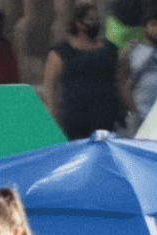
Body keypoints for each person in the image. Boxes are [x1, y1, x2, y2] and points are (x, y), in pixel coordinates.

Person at [42, 2, 122, 140]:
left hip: (105, 118)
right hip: (74, 119)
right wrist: (52, 115)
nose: (96, 23)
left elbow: (120, 81)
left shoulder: (109, 50)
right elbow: (50, 87)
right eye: (91, 19)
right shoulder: (62, 52)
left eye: (97, 19)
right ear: (78, 23)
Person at [119, 4, 157, 133]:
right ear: (146, 26)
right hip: (137, 116)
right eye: (154, 25)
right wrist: (133, 110)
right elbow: (122, 82)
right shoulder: (132, 49)